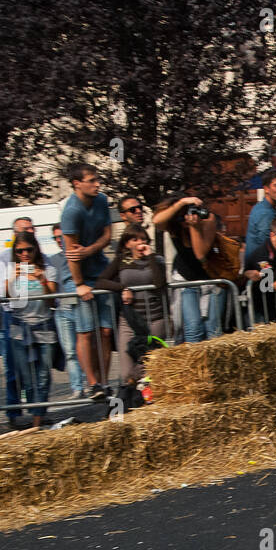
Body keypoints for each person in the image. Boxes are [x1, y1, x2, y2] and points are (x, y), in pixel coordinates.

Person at [0, 231, 56, 428]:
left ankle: (37, 421)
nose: (25, 254)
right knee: (26, 377)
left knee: (43, 376)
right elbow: (4, 298)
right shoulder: (11, 270)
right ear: (15, 253)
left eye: (28, 250)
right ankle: (36, 413)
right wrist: (11, 279)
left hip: (43, 326)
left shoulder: (47, 269)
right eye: (20, 251)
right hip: (19, 327)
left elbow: (52, 301)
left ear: (36, 249)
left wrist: (42, 280)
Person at [61, 162, 114, 399]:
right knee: (85, 332)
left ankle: (103, 381)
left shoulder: (101, 201)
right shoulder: (71, 212)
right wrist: (79, 284)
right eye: (91, 180)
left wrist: (90, 250)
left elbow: (108, 236)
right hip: (79, 276)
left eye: (97, 179)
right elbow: (72, 254)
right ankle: (92, 384)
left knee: (104, 331)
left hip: (100, 270)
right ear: (77, 183)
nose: (97, 184)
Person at [96, 225, 168, 393]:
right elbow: (101, 281)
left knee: (150, 365)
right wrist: (122, 288)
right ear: (127, 243)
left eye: (143, 239)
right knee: (126, 368)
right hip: (130, 319)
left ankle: (148, 401)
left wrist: (149, 256)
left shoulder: (156, 259)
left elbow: (159, 283)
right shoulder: (121, 260)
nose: (140, 242)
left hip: (155, 318)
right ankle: (129, 401)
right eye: (135, 239)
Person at [152, 190, 223, 341]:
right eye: (182, 216)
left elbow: (200, 254)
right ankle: (194, 365)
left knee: (213, 331)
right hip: (187, 280)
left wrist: (195, 228)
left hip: (210, 279)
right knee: (192, 328)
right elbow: (157, 221)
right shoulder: (174, 225)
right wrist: (182, 202)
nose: (185, 220)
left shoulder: (207, 219)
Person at [47, 225, 84, 398]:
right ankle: (77, 387)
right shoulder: (52, 260)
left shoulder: (79, 253)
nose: (60, 240)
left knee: (85, 347)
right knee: (69, 351)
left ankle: (91, 383)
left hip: (80, 306)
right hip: (62, 309)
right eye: (56, 238)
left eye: (62, 236)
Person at [244, 168, 276, 267]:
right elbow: (266, 245)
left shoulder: (270, 209)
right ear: (266, 189)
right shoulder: (265, 213)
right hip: (263, 269)